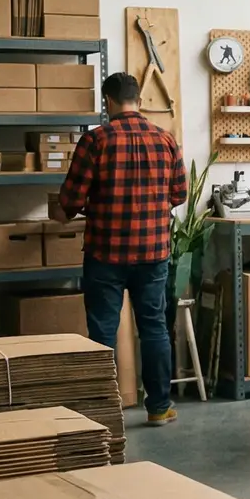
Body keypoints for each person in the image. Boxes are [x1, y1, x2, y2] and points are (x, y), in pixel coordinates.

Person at [58, 72, 187, 426]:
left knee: (102, 330)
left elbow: (70, 199)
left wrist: (81, 208)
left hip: (105, 253)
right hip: (152, 253)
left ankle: (103, 409)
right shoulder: (165, 139)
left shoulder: (95, 140)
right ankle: (159, 407)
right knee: (154, 328)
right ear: (139, 101)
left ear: (108, 102)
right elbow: (179, 194)